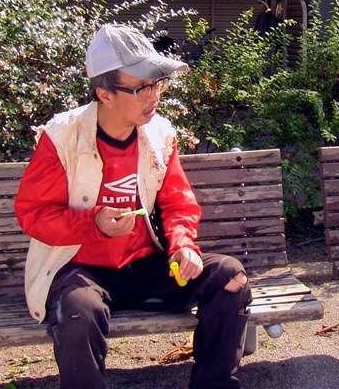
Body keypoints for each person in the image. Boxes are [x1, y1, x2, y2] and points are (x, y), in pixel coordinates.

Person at [15, 24, 252, 389]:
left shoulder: (159, 133)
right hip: (82, 271)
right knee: (79, 312)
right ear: (104, 93)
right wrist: (93, 222)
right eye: (141, 87)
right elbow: (34, 214)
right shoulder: (62, 137)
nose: (153, 96)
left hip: (145, 267)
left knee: (229, 277)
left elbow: (177, 202)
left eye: (157, 84)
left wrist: (183, 245)